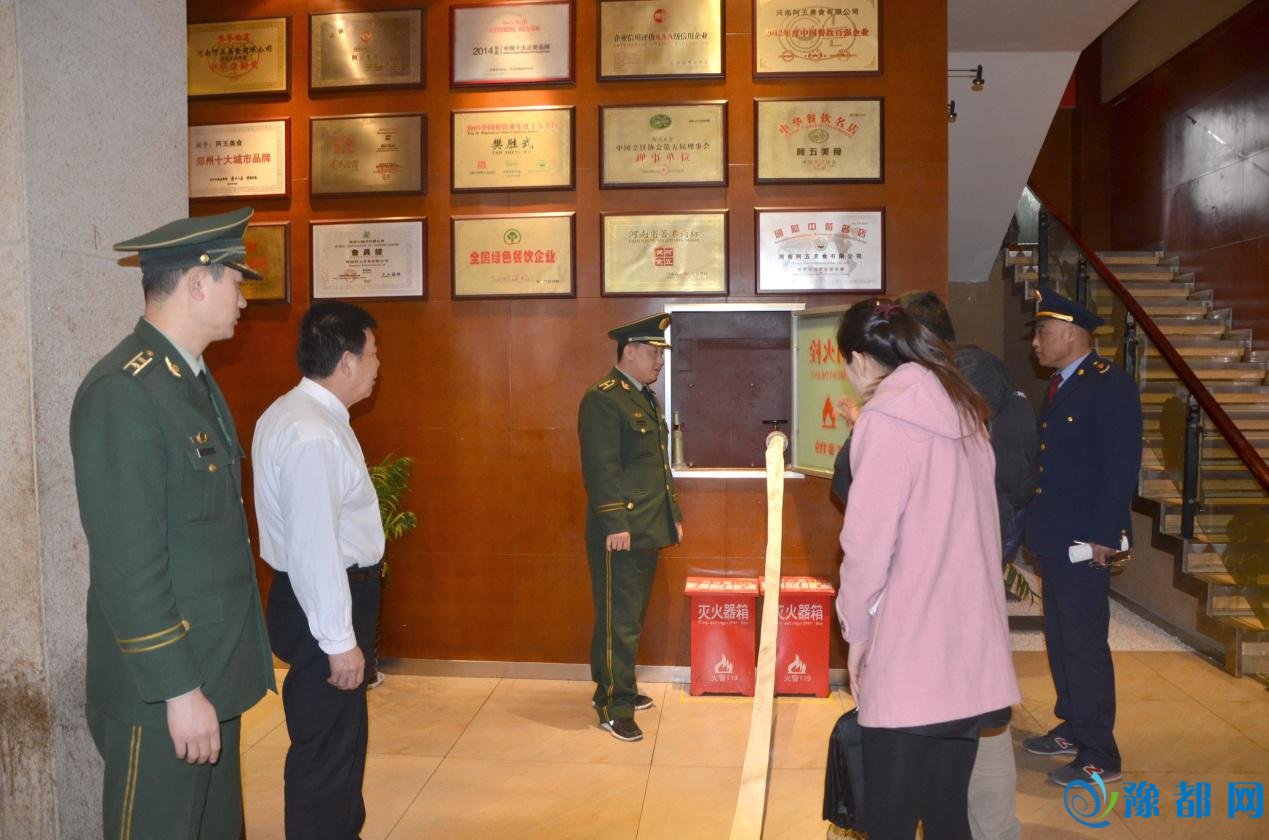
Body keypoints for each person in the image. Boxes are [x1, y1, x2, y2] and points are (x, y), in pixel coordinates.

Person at [69, 206, 275, 839]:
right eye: (236, 281)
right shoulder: (125, 391)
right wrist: (179, 691)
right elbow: (128, 567)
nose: (244, 298)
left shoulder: (189, 379)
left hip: (212, 673)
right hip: (162, 694)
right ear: (197, 282)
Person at [830, 291, 1034, 840]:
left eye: (846, 363)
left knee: (889, 822)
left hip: (910, 655)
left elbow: (866, 546)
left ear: (860, 358)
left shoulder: (885, 420)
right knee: (948, 817)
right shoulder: (965, 409)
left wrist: (856, 632)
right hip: (967, 656)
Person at [253, 301, 386, 838]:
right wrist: (339, 639)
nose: (378, 366)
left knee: (336, 744)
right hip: (324, 606)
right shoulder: (312, 433)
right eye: (373, 353)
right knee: (326, 753)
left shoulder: (301, 414)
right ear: (347, 360)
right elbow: (314, 545)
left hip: (318, 599)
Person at [1022, 287, 1142, 787]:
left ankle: (1099, 753)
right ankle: (1072, 725)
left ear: (1071, 334)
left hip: (1086, 540)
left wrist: (1104, 534)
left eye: (1042, 332)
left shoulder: (1108, 384)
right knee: (1061, 637)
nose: (1036, 342)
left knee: (1084, 644)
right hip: (1057, 535)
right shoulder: (1062, 384)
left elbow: (1119, 466)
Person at [578, 313, 684, 742]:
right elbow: (601, 469)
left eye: (661, 353)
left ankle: (620, 684)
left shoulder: (642, 397)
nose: (660, 361)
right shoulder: (603, 398)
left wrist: (673, 515)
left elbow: (657, 467)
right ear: (630, 352)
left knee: (630, 617)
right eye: (654, 353)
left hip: (647, 525)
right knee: (617, 620)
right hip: (620, 530)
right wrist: (615, 523)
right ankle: (613, 705)